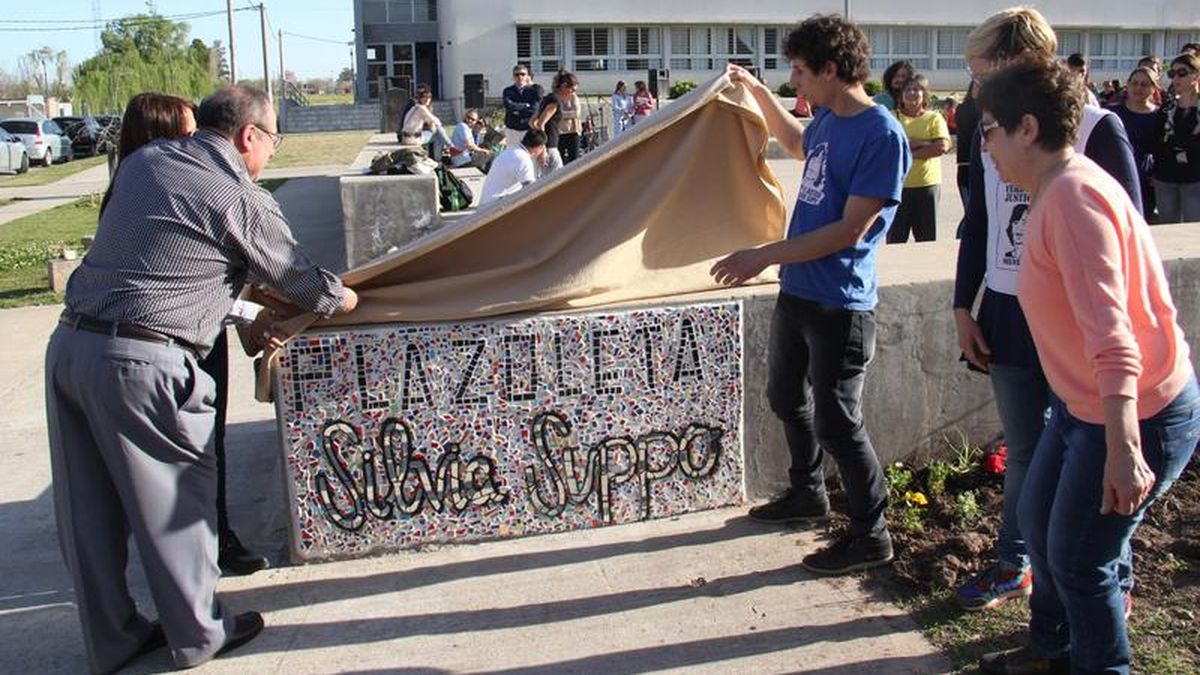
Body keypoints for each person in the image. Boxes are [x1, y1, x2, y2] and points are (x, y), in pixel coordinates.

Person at [44, 86, 358, 673]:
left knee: (88, 511)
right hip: (144, 364)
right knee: (177, 507)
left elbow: (169, 259)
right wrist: (344, 297)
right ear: (248, 135)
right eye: (273, 141)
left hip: (70, 348)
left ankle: (112, 639)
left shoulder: (144, 162)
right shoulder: (238, 195)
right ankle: (200, 633)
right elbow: (299, 280)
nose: (271, 154)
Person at [973, 56, 1198, 675]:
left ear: (1027, 128)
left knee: (1080, 559)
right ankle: (1052, 649)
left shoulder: (1073, 199)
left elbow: (1113, 336)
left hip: (1133, 412)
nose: (983, 145)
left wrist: (1125, 449)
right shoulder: (1056, 188)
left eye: (989, 130)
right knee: (1039, 521)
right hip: (1084, 407)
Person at [953, 6, 1143, 614]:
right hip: (1009, 315)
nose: (978, 88)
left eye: (985, 73)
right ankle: (1016, 563)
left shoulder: (1097, 128)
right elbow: (979, 223)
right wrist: (964, 305)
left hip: (1076, 324)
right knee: (1025, 451)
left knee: (1091, 450)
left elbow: (1128, 236)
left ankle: (1114, 575)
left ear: (1024, 61)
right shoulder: (987, 130)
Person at [710, 14, 910, 575]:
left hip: (840, 304)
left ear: (831, 69)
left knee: (838, 424)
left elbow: (850, 230)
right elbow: (799, 144)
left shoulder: (881, 135)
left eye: (800, 71)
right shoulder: (826, 121)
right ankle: (807, 493)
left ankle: (871, 536)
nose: (793, 81)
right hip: (798, 291)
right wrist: (756, 92)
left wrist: (762, 255)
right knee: (785, 397)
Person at [103, 92, 272, 577]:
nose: (198, 141)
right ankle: (200, 559)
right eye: (188, 131)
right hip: (168, 345)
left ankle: (209, 541)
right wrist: (255, 311)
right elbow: (180, 282)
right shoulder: (161, 183)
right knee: (190, 453)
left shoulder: (140, 180)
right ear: (157, 136)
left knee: (202, 448)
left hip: (187, 336)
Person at [888, 73, 950, 243]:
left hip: (927, 186)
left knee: (927, 239)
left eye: (916, 89)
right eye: (908, 89)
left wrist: (909, 150)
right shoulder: (892, 117)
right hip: (898, 187)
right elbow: (888, 147)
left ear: (925, 94)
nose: (912, 93)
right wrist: (925, 143)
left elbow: (941, 147)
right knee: (895, 240)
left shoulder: (934, 118)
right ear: (901, 95)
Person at [1151, 53, 1200, 223]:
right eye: (1172, 73)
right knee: (1167, 228)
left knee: (1193, 229)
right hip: (1166, 176)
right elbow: (1157, 141)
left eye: (1182, 73)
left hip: (1195, 178)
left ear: (1196, 76)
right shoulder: (1167, 108)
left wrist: (1175, 142)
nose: (1176, 78)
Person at [1114, 67, 1161, 219]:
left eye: (1144, 84)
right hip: (1116, 174)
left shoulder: (1160, 115)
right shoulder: (1112, 113)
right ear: (1127, 85)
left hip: (1145, 178)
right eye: (1135, 83)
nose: (1138, 88)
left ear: (1153, 88)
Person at [479, 128, 548, 204]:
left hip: (487, 202)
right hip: (495, 205)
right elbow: (530, 190)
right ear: (540, 147)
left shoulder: (511, 150)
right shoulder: (523, 159)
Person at [529, 70, 578, 174]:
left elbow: (532, 122)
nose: (573, 94)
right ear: (564, 86)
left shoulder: (547, 98)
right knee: (558, 177)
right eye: (572, 90)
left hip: (545, 145)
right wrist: (543, 149)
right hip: (549, 146)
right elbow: (540, 124)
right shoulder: (555, 101)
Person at [400, 84, 457, 162]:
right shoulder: (421, 108)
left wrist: (432, 125)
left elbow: (429, 121)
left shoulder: (415, 107)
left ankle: (447, 150)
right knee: (438, 135)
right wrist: (434, 125)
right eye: (425, 97)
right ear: (420, 98)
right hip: (413, 139)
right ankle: (446, 152)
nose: (427, 99)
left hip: (407, 138)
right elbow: (436, 121)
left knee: (437, 133)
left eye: (429, 97)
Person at [502, 64, 541, 149]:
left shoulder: (533, 91)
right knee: (512, 153)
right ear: (513, 77)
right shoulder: (508, 91)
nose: (520, 77)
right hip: (512, 129)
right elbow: (509, 106)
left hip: (527, 129)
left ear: (527, 76)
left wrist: (517, 110)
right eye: (517, 74)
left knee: (528, 153)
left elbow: (534, 109)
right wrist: (526, 105)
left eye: (523, 74)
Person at [955, 82, 981, 213]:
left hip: (969, 162)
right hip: (968, 162)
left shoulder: (961, 109)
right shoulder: (964, 109)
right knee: (973, 210)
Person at [450, 108, 495, 172]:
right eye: (468, 117)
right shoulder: (463, 126)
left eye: (473, 119)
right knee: (492, 155)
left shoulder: (466, 128)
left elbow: (472, 146)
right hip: (463, 161)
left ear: (475, 121)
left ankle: (484, 173)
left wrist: (477, 132)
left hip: (461, 159)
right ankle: (489, 175)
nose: (470, 120)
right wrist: (482, 150)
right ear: (465, 117)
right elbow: (470, 145)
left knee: (481, 156)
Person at [557, 78, 583, 164]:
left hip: (573, 131)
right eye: (572, 89)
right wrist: (565, 114)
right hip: (559, 132)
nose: (573, 92)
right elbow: (555, 114)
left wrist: (562, 114)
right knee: (559, 159)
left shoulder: (574, 98)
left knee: (574, 160)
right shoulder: (556, 97)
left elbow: (576, 113)